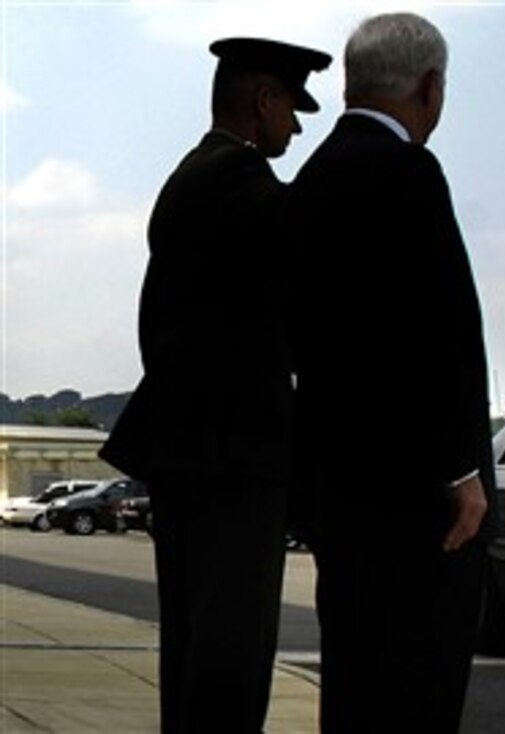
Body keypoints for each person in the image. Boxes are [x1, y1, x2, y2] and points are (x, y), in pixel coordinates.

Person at [99, 37, 331, 733]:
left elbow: (160, 325)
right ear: (262, 101)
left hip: (188, 453)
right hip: (235, 459)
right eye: (291, 107)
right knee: (234, 656)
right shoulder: (247, 191)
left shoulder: (188, 182)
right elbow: (294, 316)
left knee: (195, 648)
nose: (294, 125)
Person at [289, 13, 494, 733]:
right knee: (417, 683)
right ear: (430, 87)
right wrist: (459, 470)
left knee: (354, 681)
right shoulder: (406, 172)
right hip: (416, 501)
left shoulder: (308, 182)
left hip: (341, 490)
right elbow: (428, 336)